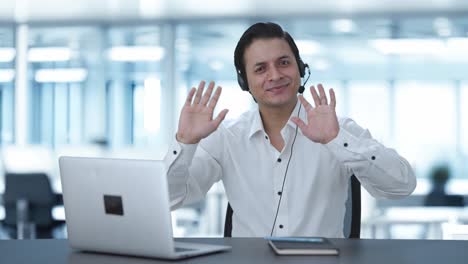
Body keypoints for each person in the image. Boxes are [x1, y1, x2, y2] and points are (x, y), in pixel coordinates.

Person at [164, 22, 416, 237]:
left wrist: (337, 140)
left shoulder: (338, 130)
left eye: (283, 62)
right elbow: (169, 199)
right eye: (260, 68)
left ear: (300, 68)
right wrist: (185, 142)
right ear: (245, 82)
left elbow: (402, 185)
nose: (275, 75)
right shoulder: (226, 138)